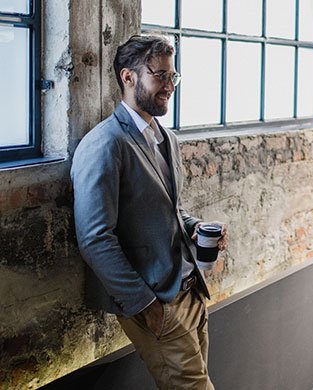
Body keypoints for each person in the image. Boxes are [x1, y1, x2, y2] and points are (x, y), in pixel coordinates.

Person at [71, 34, 226, 390]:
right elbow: (94, 239)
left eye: (174, 77)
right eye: (160, 76)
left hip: (190, 291)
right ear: (128, 77)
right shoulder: (104, 144)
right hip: (157, 302)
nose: (170, 86)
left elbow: (170, 210)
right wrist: (147, 306)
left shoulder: (165, 137)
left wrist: (194, 225)